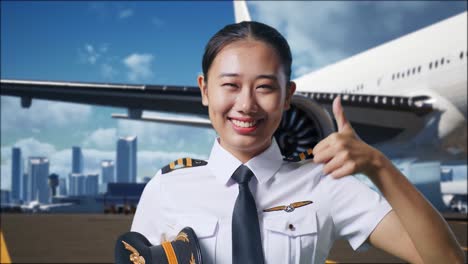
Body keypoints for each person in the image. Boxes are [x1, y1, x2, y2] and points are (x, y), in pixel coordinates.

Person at [131, 21, 464, 264]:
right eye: (230, 85)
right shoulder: (166, 187)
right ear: (204, 90)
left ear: (288, 96)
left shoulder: (325, 184)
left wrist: (378, 166)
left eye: (265, 87)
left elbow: (447, 261)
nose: (246, 104)